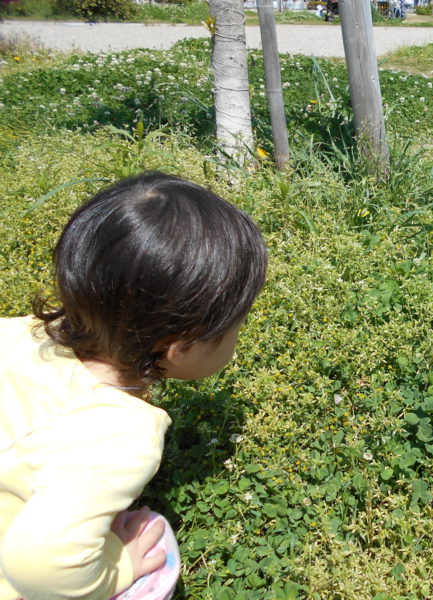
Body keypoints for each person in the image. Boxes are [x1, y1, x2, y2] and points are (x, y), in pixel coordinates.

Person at [0, 172, 268, 600]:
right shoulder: (121, 436)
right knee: (153, 559)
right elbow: (36, 566)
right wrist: (119, 568)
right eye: (237, 324)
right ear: (180, 348)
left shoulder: (15, 334)